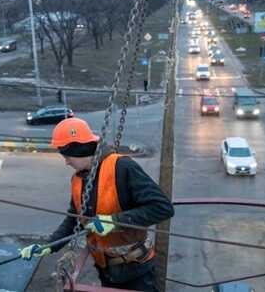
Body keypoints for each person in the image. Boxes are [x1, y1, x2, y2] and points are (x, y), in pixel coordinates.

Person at [20, 118, 174, 291]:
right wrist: (48, 246)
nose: (66, 162)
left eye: (67, 156)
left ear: (79, 150)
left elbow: (162, 207)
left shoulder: (122, 168)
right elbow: (74, 220)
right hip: (106, 270)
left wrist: (114, 221)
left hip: (136, 271)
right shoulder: (78, 179)